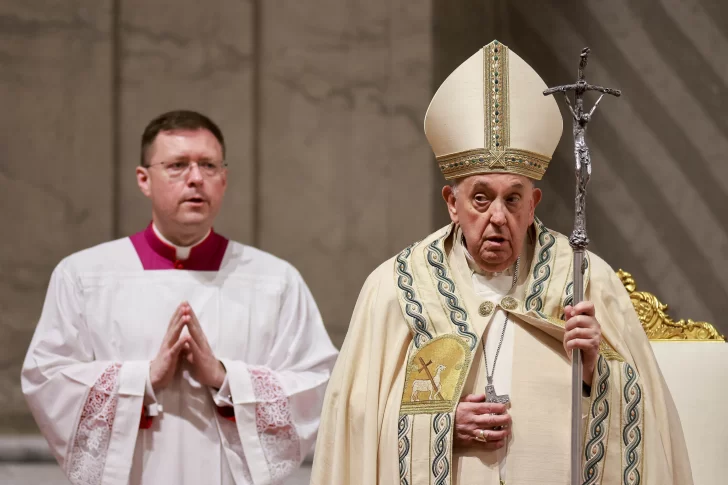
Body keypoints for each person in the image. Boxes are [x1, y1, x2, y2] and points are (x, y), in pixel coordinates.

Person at [311, 41, 692, 485]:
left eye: (513, 199)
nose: (498, 216)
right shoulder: (398, 286)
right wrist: (441, 425)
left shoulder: (584, 279)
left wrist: (594, 368)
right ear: (451, 203)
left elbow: (647, 418)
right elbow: (355, 420)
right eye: (480, 198)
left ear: (534, 204)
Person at [21, 110, 338, 485]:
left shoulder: (274, 280)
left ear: (224, 178)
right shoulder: (83, 276)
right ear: (144, 179)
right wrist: (141, 379)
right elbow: (46, 379)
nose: (195, 178)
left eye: (208, 165)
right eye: (176, 165)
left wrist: (225, 378)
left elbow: (319, 384)